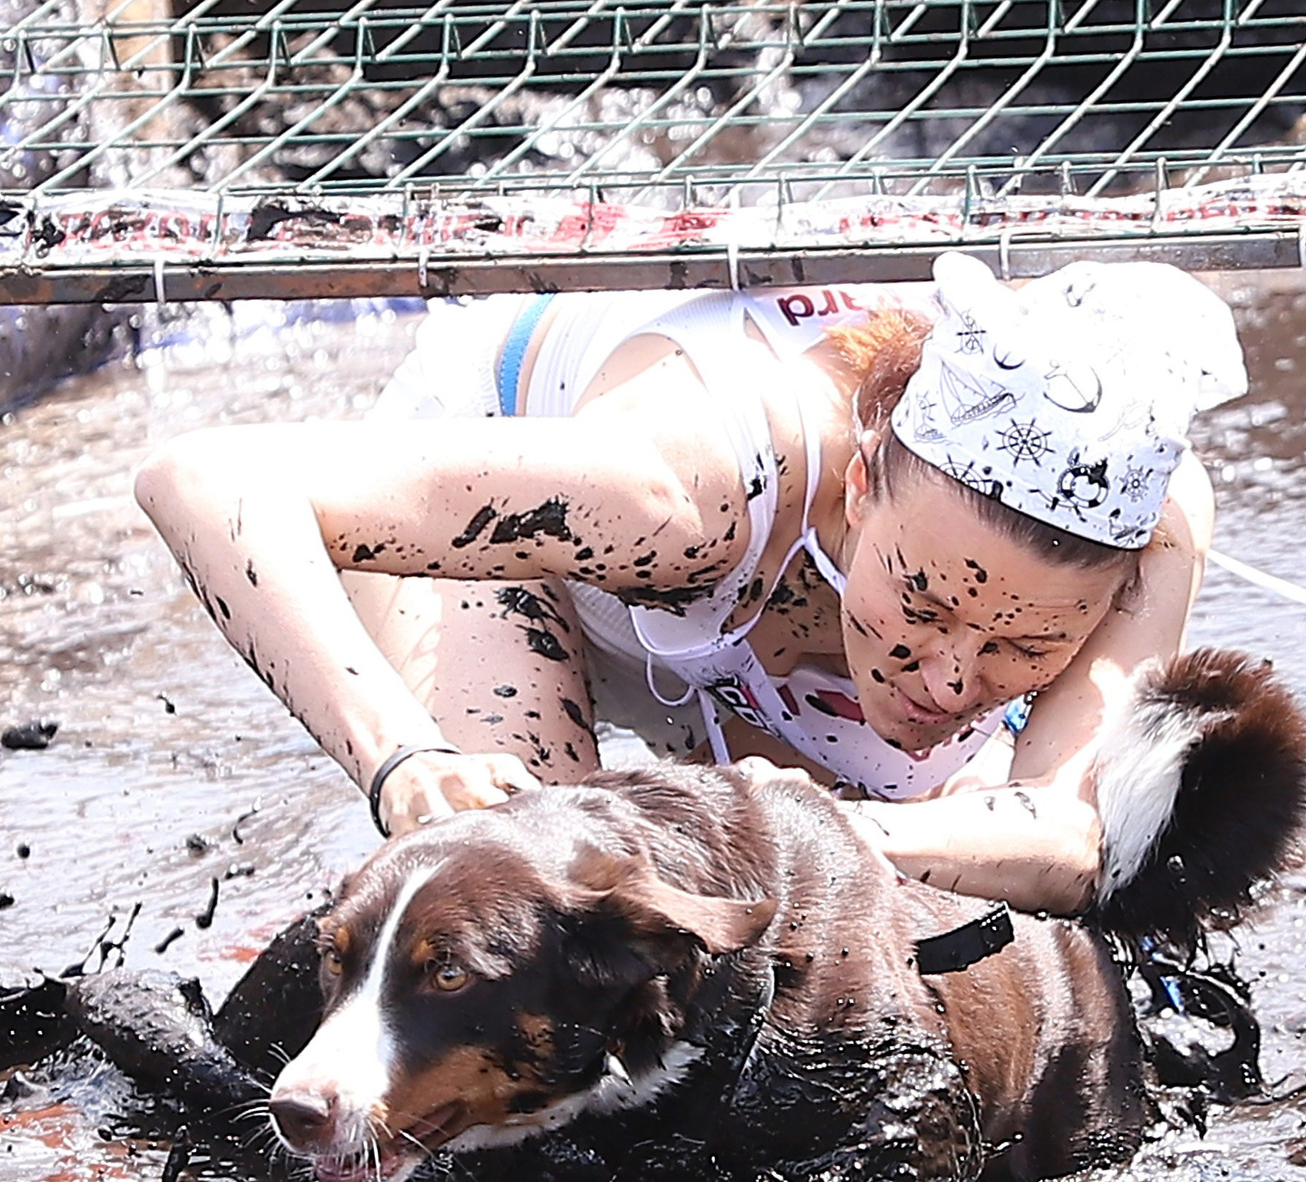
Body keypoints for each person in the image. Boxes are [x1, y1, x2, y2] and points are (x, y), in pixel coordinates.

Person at [132, 251, 1247, 915]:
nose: (952, 676)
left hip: (778, 610)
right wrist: (400, 761)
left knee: (887, 901)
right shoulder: (677, 492)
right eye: (924, 604)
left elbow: (1067, 839)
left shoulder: (1147, 524)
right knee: (551, 890)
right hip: (530, 525)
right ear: (862, 487)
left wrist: (820, 832)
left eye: (1021, 646)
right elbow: (203, 477)